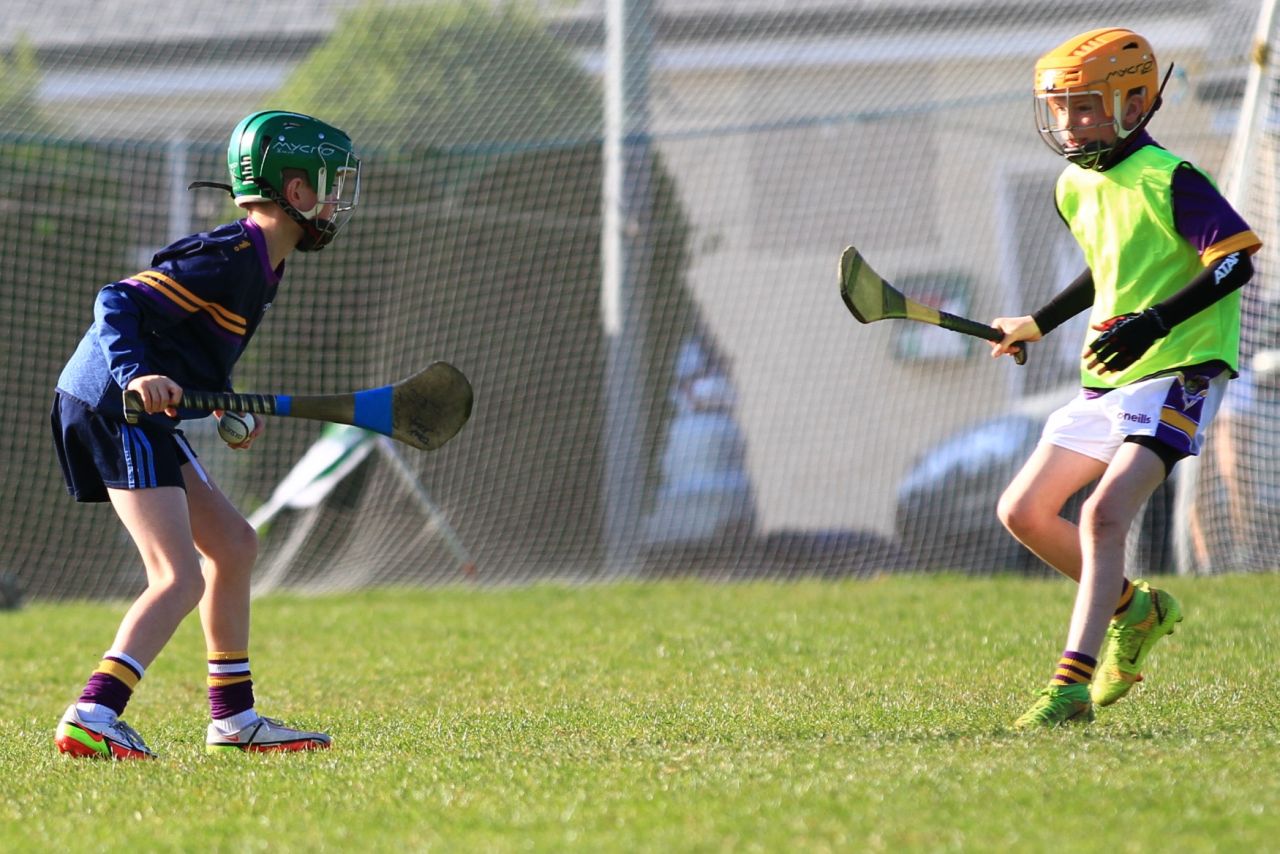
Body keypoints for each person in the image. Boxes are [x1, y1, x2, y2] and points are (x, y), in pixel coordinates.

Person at [50, 110, 361, 757]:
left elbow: (187, 343)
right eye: (330, 185)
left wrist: (216, 405)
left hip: (141, 408)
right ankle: (93, 714)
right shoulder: (229, 255)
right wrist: (139, 376)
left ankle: (233, 719)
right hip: (115, 404)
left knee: (235, 544)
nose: (336, 201)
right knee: (179, 576)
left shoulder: (263, 265)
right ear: (296, 192)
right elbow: (118, 301)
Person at [987, 28, 1261, 727]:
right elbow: (1108, 266)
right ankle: (1136, 609)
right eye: (1062, 109)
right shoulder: (1074, 184)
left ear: (1136, 102)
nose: (1070, 123)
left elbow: (1234, 262)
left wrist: (1157, 321)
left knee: (1106, 514)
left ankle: (1069, 687)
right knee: (1022, 512)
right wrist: (1039, 323)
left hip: (1180, 370)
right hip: (1108, 376)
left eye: (1086, 107)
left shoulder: (1173, 177)